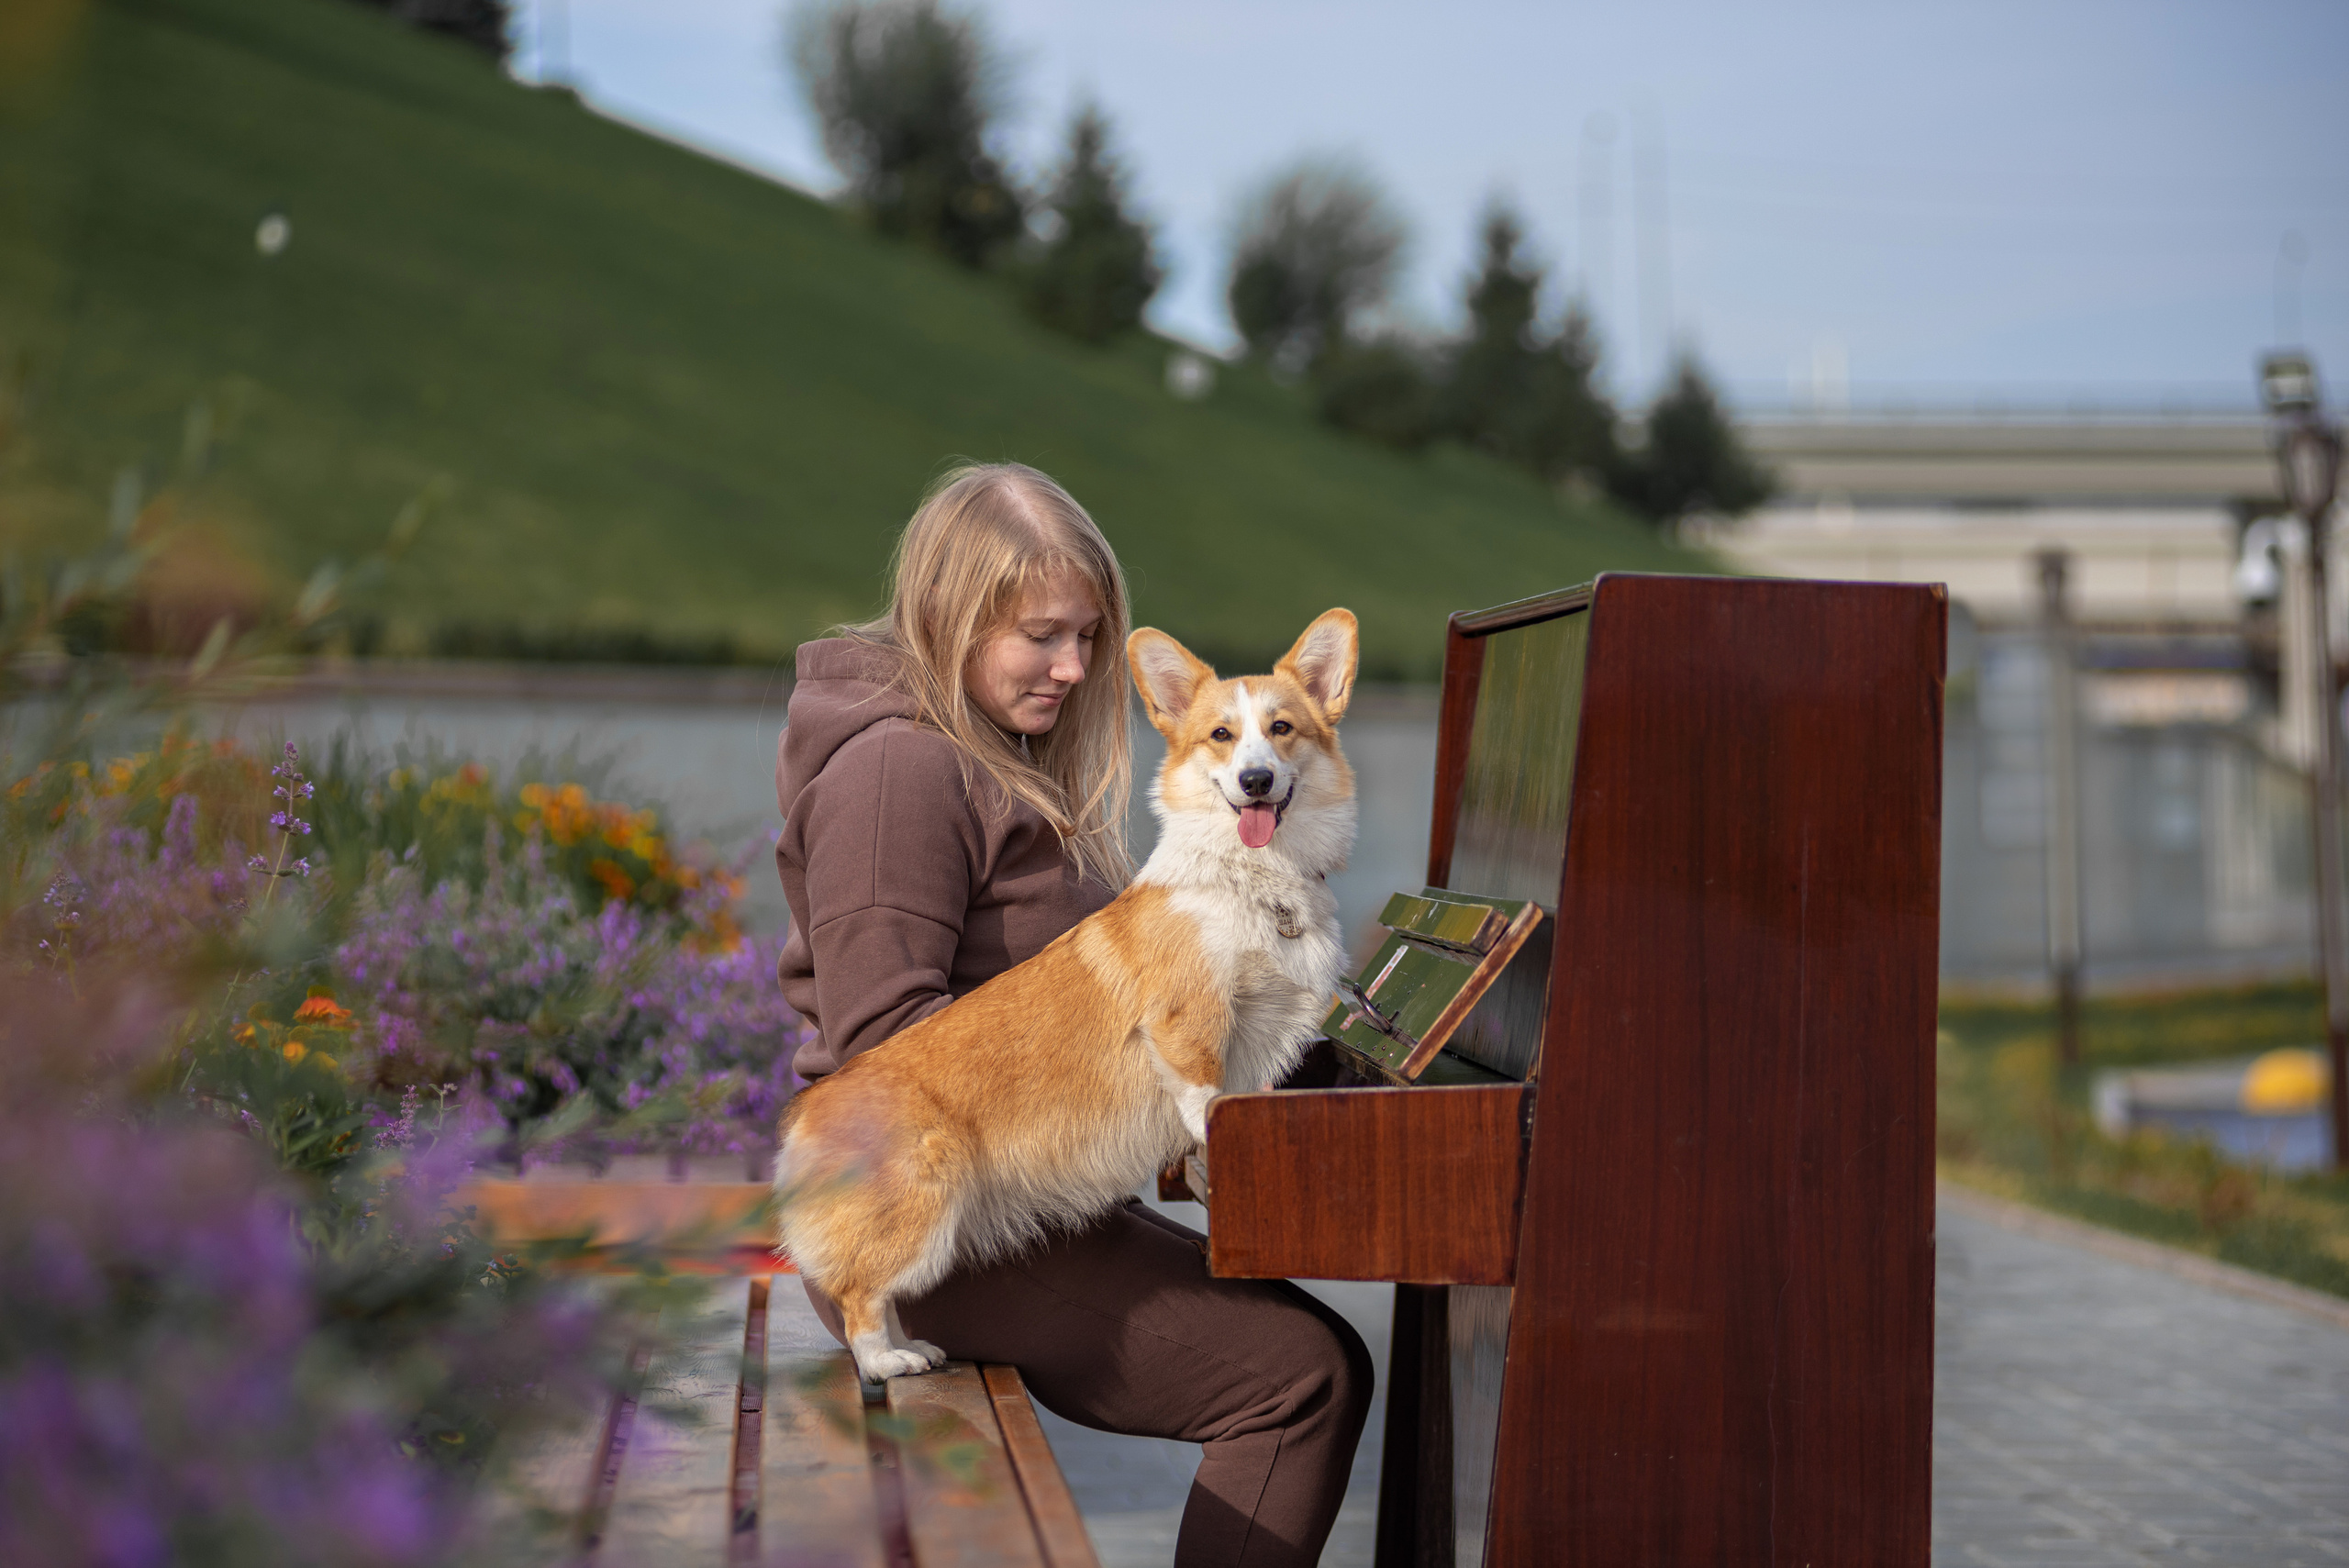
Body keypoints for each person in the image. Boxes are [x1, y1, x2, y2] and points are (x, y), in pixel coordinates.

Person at [774, 462, 1373, 1567]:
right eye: (1040, 635)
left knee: (1321, 1349)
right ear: (953, 615)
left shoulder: (976, 750)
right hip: (937, 1218)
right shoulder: (898, 774)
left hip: (1017, 1191)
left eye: (1089, 634)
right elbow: (882, 1054)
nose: (1074, 667)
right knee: (1298, 1379)